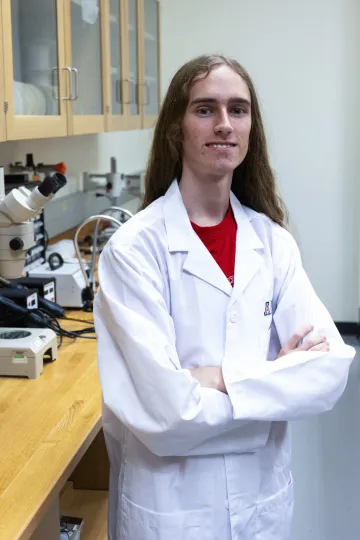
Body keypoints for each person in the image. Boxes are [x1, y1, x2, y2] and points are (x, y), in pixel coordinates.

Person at [94, 54, 355, 540]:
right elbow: (168, 416)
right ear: (177, 126)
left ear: (251, 126)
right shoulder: (134, 250)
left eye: (238, 109)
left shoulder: (273, 242)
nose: (223, 124)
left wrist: (212, 379)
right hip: (170, 510)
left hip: (261, 506)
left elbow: (328, 372)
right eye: (204, 109)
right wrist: (276, 379)